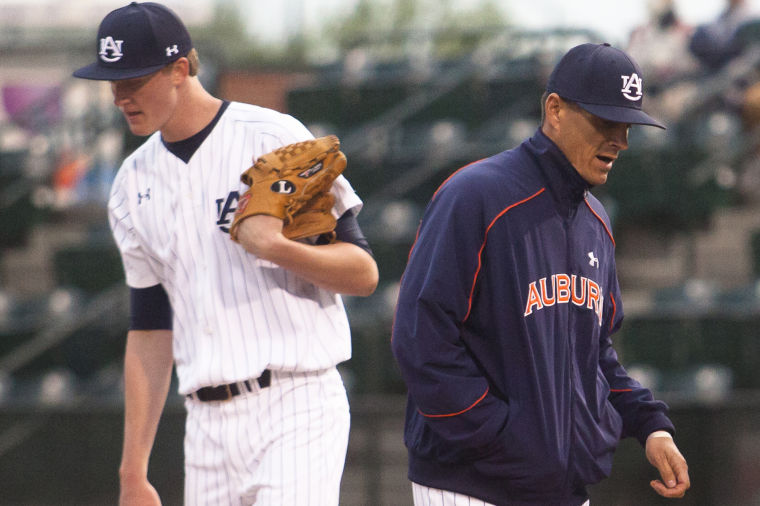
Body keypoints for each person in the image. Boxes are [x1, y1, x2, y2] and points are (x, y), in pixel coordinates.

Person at [72, 2, 378, 505]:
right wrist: (133, 469)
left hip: (294, 403)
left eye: (133, 80)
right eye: (113, 82)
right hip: (206, 425)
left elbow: (363, 273)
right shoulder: (129, 185)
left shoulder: (271, 138)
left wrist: (277, 247)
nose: (120, 96)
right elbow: (150, 328)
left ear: (179, 69)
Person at [391, 43, 690, 506]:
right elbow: (422, 337)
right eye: (605, 121)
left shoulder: (598, 223)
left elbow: (594, 354)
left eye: (627, 124)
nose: (621, 140)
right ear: (554, 109)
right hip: (471, 484)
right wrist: (499, 436)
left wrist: (648, 424)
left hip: (563, 487)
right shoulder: (477, 196)